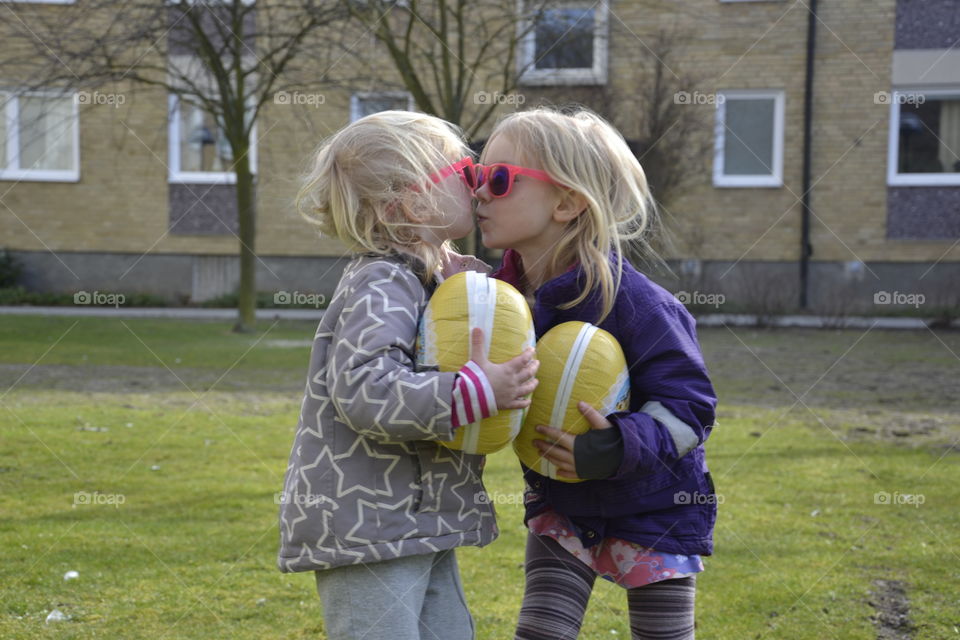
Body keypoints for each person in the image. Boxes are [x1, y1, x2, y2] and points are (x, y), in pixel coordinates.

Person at [277, 110, 540, 640]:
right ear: (411, 200)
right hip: (368, 525)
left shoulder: (424, 279)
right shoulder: (381, 282)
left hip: (414, 519)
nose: (479, 185)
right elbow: (364, 388)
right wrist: (474, 392)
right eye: (465, 173)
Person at [470, 107, 718, 640]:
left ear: (566, 202)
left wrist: (616, 447)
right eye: (475, 175)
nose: (479, 193)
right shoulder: (502, 300)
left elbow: (690, 407)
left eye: (500, 178)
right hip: (563, 502)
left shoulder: (635, 301)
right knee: (542, 633)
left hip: (655, 507)